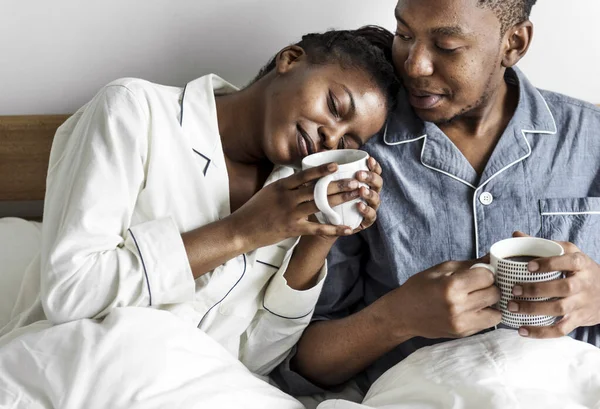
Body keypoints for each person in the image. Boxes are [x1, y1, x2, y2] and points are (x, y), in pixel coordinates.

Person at [1, 26, 400, 377]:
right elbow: (72, 293)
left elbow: (256, 361)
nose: (332, 138)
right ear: (290, 59)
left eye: (348, 141)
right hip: (84, 367)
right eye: (334, 106)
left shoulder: (293, 195)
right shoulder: (136, 111)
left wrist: (318, 239)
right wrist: (242, 231)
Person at [274, 0, 600, 396]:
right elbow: (303, 363)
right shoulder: (355, 152)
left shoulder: (590, 138)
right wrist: (396, 319)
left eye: (446, 46)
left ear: (513, 43)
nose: (414, 66)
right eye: (404, 36)